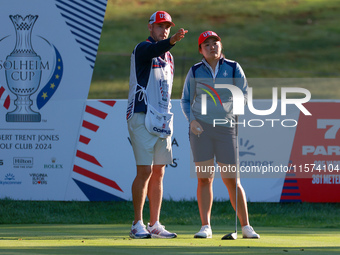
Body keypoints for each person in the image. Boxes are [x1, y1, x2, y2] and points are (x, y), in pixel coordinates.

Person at [180, 31, 260, 239]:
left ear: (221, 46)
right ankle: (205, 226)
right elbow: (186, 100)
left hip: (226, 128)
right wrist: (192, 120)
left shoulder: (233, 67)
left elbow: (243, 93)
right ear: (200, 50)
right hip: (201, 130)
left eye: (215, 42)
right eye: (206, 44)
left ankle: (246, 227)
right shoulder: (196, 71)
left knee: (232, 179)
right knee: (205, 178)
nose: (212, 46)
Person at [126, 11, 187, 239]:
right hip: (141, 114)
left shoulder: (169, 58)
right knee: (145, 170)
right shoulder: (143, 48)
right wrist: (171, 41)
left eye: (167, 27)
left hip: (162, 118)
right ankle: (137, 224)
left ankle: (155, 224)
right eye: (160, 26)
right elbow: (154, 50)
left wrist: (169, 116)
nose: (164, 30)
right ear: (150, 28)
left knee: (159, 171)